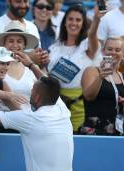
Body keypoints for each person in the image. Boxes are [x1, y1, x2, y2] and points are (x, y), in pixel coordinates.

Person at [47, 5, 104, 133]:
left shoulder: (86, 45)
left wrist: (96, 19)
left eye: (78, 20)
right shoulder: (55, 47)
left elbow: (92, 35)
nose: (74, 23)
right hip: (56, 104)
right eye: (70, 19)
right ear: (65, 21)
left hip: (80, 105)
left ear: (83, 23)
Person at [0, 20, 47, 133]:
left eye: (19, 41)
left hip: (27, 126)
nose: (15, 45)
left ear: (24, 45)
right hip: (0, 124)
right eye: (10, 41)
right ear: (4, 44)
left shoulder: (32, 68)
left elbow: (46, 91)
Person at [81, 37, 124, 135]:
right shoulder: (92, 71)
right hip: (96, 130)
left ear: (122, 54)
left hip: (119, 130)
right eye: (109, 49)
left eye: (117, 50)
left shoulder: (122, 76)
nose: (113, 52)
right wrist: (100, 77)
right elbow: (88, 96)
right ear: (103, 51)